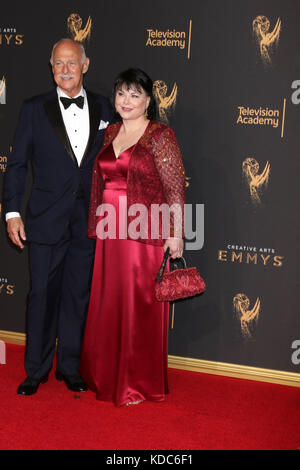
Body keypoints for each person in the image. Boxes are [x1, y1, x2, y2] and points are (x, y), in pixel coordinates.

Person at [3, 38, 112, 396]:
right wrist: (12, 212)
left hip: (87, 221)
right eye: (58, 63)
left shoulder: (104, 107)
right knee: (42, 295)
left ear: (86, 65)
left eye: (72, 63)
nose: (65, 69)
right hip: (44, 218)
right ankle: (35, 369)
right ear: (51, 67)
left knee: (77, 295)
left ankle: (69, 366)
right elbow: (17, 165)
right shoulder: (34, 108)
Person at [80, 68, 186, 407]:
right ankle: (107, 375)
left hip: (143, 230)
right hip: (111, 229)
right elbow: (100, 180)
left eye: (135, 95)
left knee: (138, 303)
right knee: (110, 301)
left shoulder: (160, 135)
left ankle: (137, 381)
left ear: (148, 100)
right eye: (122, 94)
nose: (127, 101)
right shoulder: (111, 131)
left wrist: (176, 232)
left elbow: (174, 187)